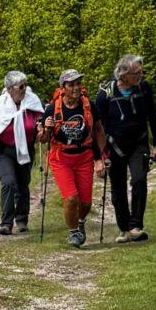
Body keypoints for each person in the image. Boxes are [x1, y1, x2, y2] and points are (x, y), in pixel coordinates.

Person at [96, 52, 156, 245]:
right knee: (118, 188)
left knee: (139, 180)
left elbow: (153, 116)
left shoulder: (144, 88)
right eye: (136, 73)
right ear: (123, 74)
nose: (140, 76)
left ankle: (136, 226)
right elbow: (98, 126)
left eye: (141, 72)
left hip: (139, 143)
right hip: (114, 145)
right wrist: (99, 155)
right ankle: (124, 228)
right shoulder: (105, 93)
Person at [0, 70, 45, 235]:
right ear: (9, 89)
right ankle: (6, 223)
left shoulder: (32, 101)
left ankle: (21, 219)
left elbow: (40, 120)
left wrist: (41, 129)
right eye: (21, 86)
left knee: (23, 183)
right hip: (4, 150)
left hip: (26, 149)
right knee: (8, 182)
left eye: (25, 85)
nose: (24, 89)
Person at [45, 68, 99, 248]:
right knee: (70, 198)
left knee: (86, 203)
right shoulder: (52, 108)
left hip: (84, 157)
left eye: (78, 83)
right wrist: (46, 127)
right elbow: (42, 139)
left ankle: (80, 222)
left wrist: (100, 158)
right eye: (71, 84)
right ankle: (74, 232)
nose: (76, 87)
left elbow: (98, 131)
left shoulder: (89, 106)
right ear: (63, 88)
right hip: (61, 158)